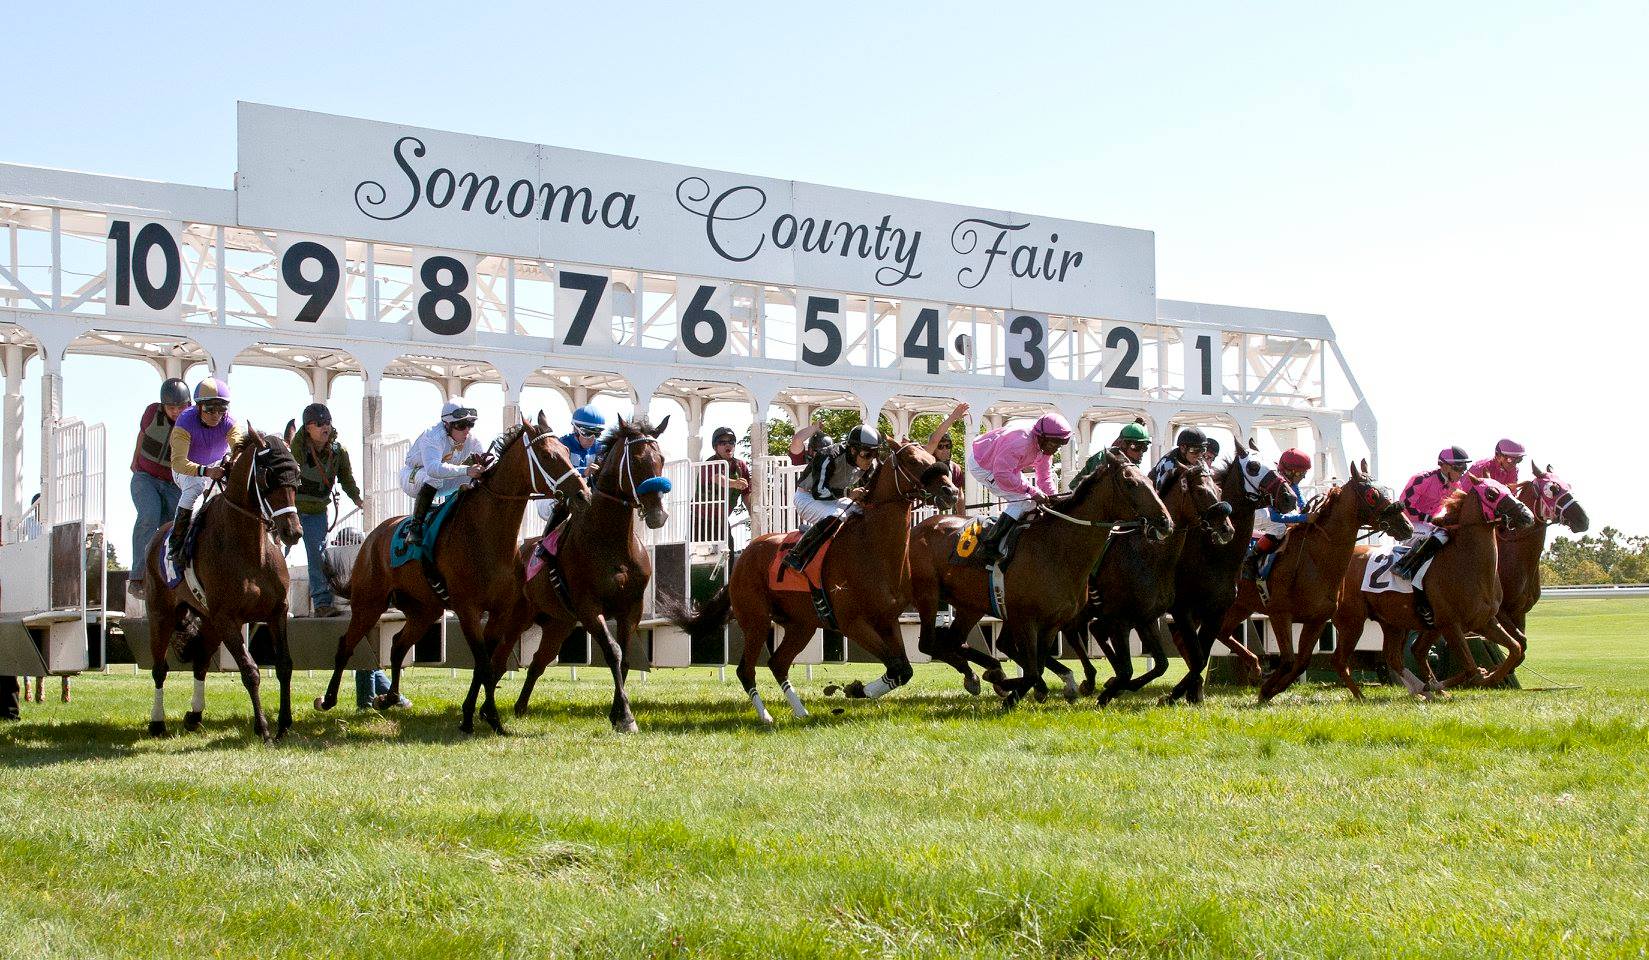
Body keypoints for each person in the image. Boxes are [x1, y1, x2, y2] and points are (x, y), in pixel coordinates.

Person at [966, 413, 1072, 564]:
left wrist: (1054, 500)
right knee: (1022, 502)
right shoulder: (1020, 442)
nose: (1055, 449)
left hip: (1007, 466)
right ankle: (990, 545)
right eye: (1053, 444)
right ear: (1041, 437)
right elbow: (1002, 474)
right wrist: (1032, 491)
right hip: (983, 465)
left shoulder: (1044, 448)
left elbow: (1045, 478)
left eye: (1059, 445)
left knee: (1033, 500)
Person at [291, 403, 363, 618]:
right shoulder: (297, 449)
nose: (326, 428)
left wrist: (357, 499)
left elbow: (346, 479)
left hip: (316, 513)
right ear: (308, 428)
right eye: (320, 424)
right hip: (291, 512)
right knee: (279, 553)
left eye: (328, 423)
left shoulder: (338, 452)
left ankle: (322, 603)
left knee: (318, 556)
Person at [781, 423, 882, 571]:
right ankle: (796, 554)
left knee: (867, 515)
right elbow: (819, 492)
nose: (870, 459)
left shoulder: (869, 464)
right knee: (836, 517)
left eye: (875, 454)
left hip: (835, 498)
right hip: (808, 498)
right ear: (853, 450)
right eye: (867, 454)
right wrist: (850, 494)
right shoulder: (827, 456)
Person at [166, 378, 243, 570]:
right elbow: (179, 462)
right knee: (195, 487)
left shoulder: (230, 422)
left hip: (215, 465)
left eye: (222, 409)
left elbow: (239, 448)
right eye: (210, 409)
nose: (216, 415)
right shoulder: (184, 421)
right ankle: (176, 543)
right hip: (185, 470)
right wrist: (206, 471)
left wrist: (234, 460)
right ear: (199, 407)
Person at [400, 400, 485, 548]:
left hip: (440, 480)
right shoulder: (432, 436)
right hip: (413, 477)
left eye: (470, 424)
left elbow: (486, 459)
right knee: (435, 476)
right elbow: (433, 468)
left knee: (479, 474)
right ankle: (415, 528)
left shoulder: (471, 439)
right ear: (447, 424)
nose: (467, 430)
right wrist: (466, 469)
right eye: (461, 425)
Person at [130, 378, 188, 581]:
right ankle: (139, 575)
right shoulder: (151, 413)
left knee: (174, 526)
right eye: (171, 407)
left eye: (180, 407)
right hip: (146, 479)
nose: (175, 411)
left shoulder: (192, 423)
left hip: (173, 485)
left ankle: (170, 575)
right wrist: (135, 459)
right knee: (148, 516)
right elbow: (142, 435)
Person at [1392, 445, 1471, 580]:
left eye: (1464, 468)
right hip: (1406, 527)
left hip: (1427, 526)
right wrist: (1430, 518)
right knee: (1441, 534)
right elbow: (1405, 506)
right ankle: (1403, 566)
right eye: (1458, 468)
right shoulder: (1422, 479)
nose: (1461, 472)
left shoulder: (1456, 486)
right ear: (1444, 466)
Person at [535, 404, 609, 534]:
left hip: (582, 494)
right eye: (587, 433)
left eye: (597, 434)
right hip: (555, 496)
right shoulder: (562, 445)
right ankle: (546, 542)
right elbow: (557, 475)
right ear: (575, 429)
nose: (592, 439)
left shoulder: (600, 448)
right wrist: (584, 473)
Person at [1244, 447, 1311, 581]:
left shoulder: (1288, 477)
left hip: (1265, 510)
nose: (1304, 476)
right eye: (1301, 473)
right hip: (1251, 512)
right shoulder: (1275, 481)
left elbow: (1297, 493)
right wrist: (1305, 517)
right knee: (1279, 527)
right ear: (1290, 471)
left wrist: (1304, 508)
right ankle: (1251, 559)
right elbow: (1275, 517)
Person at [693, 426, 752, 543]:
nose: (728, 445)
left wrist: (752, 513)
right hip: (699, 520)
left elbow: (746, 493)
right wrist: (735, 483)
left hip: (721, 520)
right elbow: (717, 478)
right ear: (715, 447)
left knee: (727, 554)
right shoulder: (710, 464)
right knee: (696, 557)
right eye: (722, 442)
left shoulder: (740, 467)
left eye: (731, 442)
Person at [1149, 427, 1207, 492]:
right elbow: (1158, 494)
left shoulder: (1201, 462)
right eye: (1194, 450)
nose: (1199, 455)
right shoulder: (1168, 465)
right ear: (1183, 448)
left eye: (1202, 450)